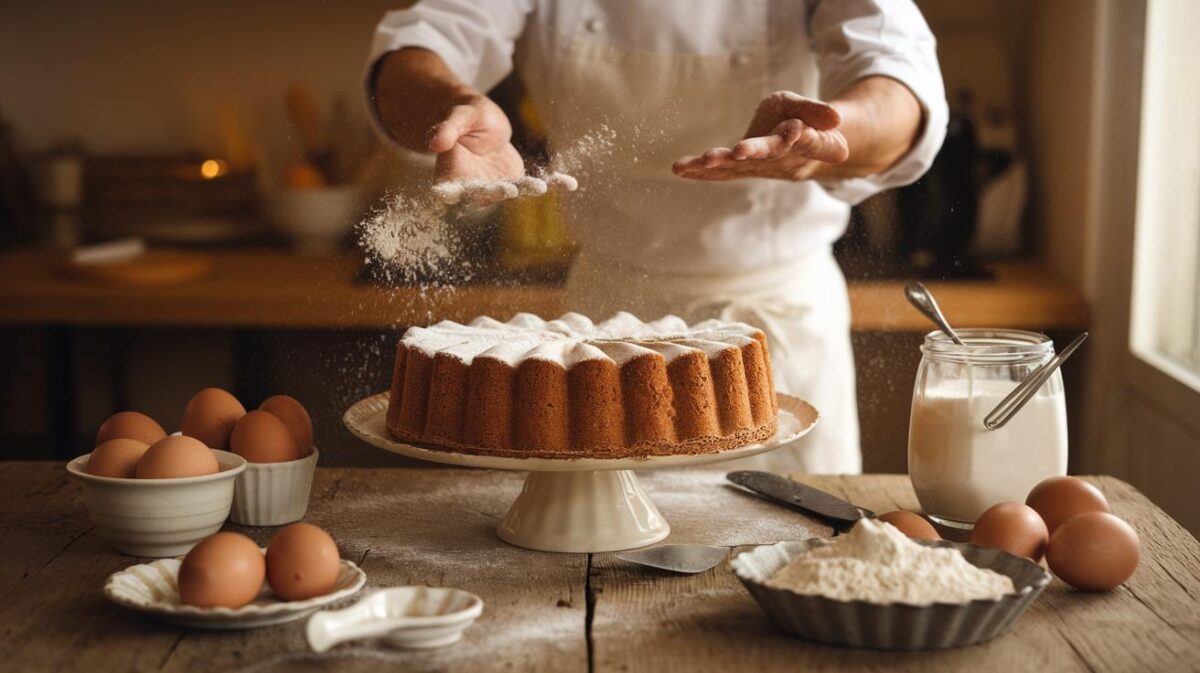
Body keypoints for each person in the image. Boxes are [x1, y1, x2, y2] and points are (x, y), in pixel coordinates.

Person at [366, 0, 948, 474]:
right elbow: (421, 45)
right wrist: (454, 107)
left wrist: (829, 137)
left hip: (774, 332)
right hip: (596, 338)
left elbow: (898, 79)